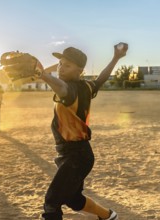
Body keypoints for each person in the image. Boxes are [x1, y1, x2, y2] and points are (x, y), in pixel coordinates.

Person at [38, 43, 128, 220]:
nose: (61, 68)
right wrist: (115, 58)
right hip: (74, 155)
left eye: (67, 65)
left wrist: (43, 75)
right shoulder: (86, 86)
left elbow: (62, 88)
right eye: (60, 63)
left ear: (79, 70)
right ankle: (108, 216)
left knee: (52, 202)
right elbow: (101, 79)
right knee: (73, 199)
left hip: (76, 156)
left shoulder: (69, 90)